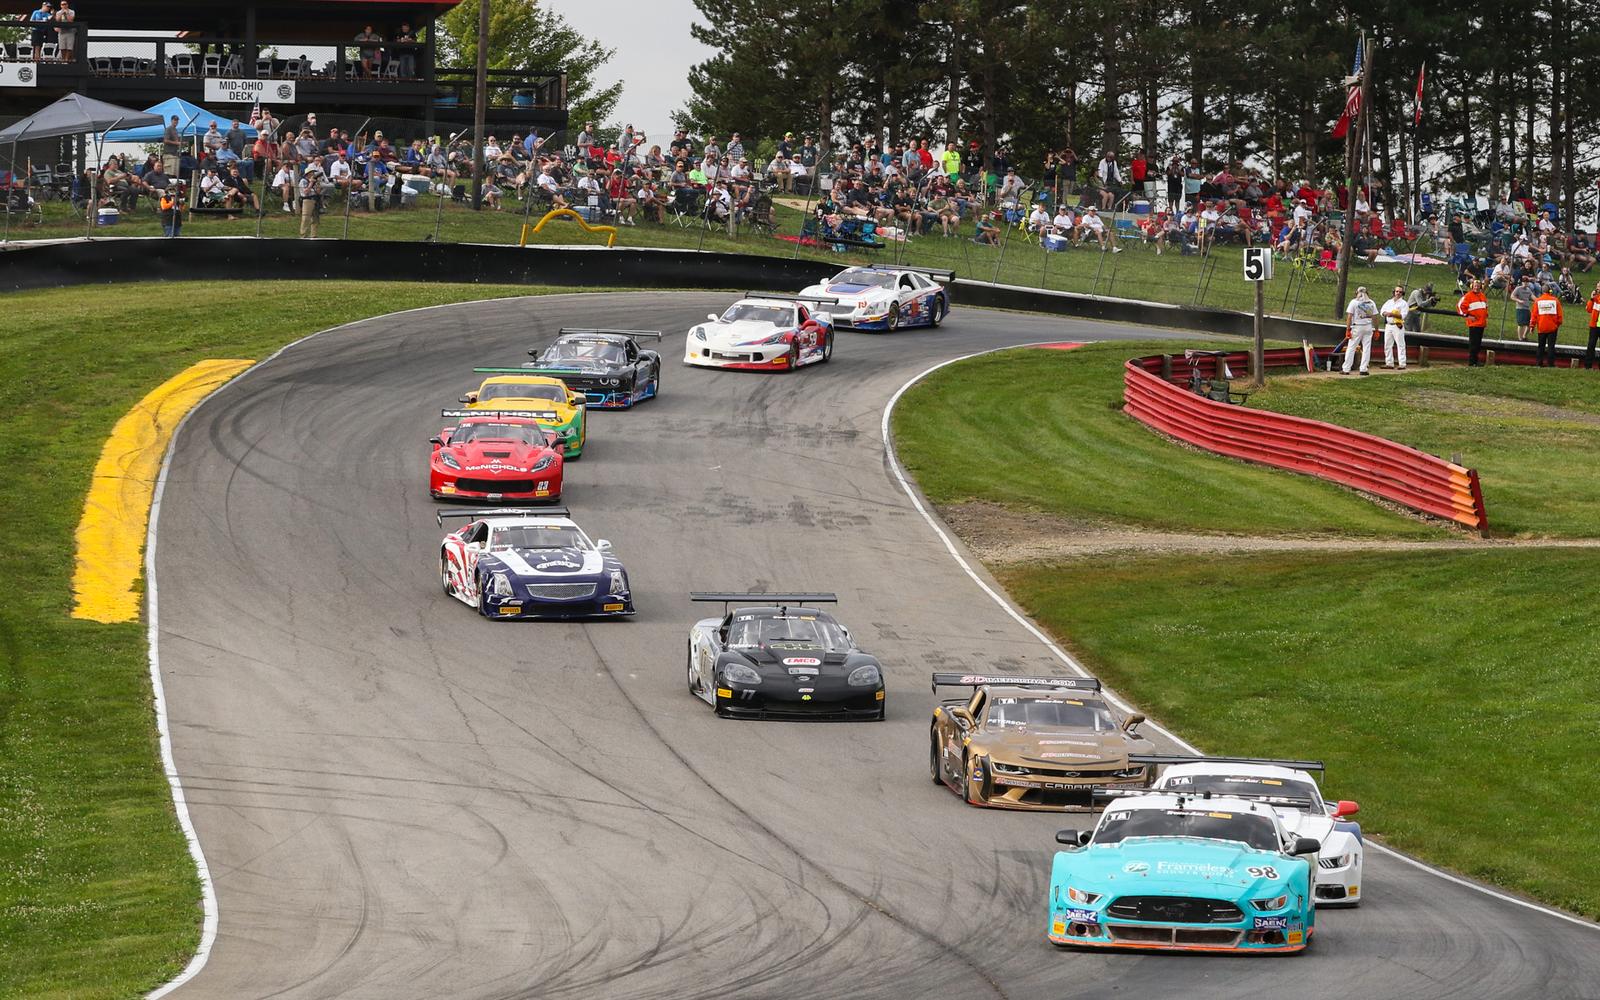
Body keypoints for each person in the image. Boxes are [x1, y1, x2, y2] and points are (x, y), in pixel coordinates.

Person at [1341, 286, 1379, 375]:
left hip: (1357, 327)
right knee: (1366, 348)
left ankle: (1346, 369)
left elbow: (1349, 317)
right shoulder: (1371, 302)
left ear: (1357, 292)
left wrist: (1348, 329)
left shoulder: (1354, 302)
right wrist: (1376, 330)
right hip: (1368, 327)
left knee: (1351, 347)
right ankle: (1363, 369)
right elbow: (1375, 317)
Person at [1457, 278, 1490, 366]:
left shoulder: (1482, 296)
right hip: (1474, 324)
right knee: (1473, 344)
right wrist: (1467, 316)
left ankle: (1476, 361)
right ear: (1472, 286)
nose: (1477, 288)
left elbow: (1485, 307)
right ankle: (1472, 362)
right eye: (1475, 286)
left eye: (1478, 286)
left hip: (1481, 323)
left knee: (1478, 344)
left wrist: (1486, 314)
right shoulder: (1468, 296)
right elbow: (1460, 306)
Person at [1532, 284, 1563, 367]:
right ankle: (1551, 363)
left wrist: (1532, 326)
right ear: (1550, 291)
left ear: (1542, 291)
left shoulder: (1537, 301)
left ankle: (1539, 363)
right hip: (1553, 328)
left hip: (1541, 327)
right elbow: (1560, 316)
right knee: (1551, 347)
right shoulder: (1555, 301)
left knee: (1540, 346)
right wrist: (1557, 324)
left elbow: (1534, 315)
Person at [1380, 285, 1410, 370]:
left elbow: (1403, 315)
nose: (1398, 293)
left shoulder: (1404, 303)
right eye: (1397, 291)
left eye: (1400, 292)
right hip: (1388, 325)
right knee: (1387, 344)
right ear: (1394, 292)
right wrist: (1385, 313)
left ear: (1402, 293)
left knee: (1400, 344)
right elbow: (1382, 311)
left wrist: (1393, 314)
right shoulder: (1389, 302)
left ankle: (1402, 364)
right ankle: (1389, 363)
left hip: (1397, 325)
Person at [298, 164, 322, 237]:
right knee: (305, 218)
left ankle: (314, 235)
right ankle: (303, 235)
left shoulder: (315, 181)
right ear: (308, 173)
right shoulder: (303, 181)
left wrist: (317, 183)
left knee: (315, 218)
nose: (313, 174)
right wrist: (311, 183)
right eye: (312, 172)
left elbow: (318, 191)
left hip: (315, 199)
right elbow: (305, 192)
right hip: (307, 200)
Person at [1509, 275, 1536, 340]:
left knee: (1529, 324)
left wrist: (1538, 300)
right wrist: (1519, 300)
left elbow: (1532, 296)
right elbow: (1512, 296)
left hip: (1527, 308)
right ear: (1522, 282)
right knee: (1521, 324)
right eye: (1524, 282)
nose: (1525, 283)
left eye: (1527, 282)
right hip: (1520, 308)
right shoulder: (1518, 288)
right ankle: (1520, 338)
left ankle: (1524, 336)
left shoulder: (1528, 289)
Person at [1585, 281, 1600, 370]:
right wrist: (1591, 299)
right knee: (1591, 345)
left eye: (1599, 286)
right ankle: (1588, 365)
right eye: (1597, 286)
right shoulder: (1594, 298)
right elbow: (1588, 309)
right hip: (1594, 326)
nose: (1598, 288)